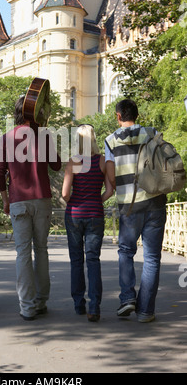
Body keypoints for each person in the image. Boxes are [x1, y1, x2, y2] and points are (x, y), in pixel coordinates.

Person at [0, 96, 61, 321]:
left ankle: (27, 306)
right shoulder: (43, 136)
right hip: (41, 198)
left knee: (23, 252)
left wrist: (5, 199)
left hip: (18, 200)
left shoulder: (6, 138)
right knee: (41, 249)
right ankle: (42, 301)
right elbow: (56, 165)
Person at [105, 99, 167, 323]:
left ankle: (127, 299)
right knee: (151, 258)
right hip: (155, 201)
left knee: (126, 252)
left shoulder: (110, 141)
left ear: (118, 116)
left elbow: (111, 177)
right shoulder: (152, 133)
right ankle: (146, 311)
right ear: (137, 115)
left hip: (129, 205)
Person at [62, 124, 113, 321]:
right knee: (93, 260)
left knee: (76, 260)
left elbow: (65, 193)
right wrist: (95, 201)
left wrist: (74, 201)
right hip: (95, 215)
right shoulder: (102, 161)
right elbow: (109, 191)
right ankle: (94, 306)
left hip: (74, 214)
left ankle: (78, 305)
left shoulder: (73, 162)